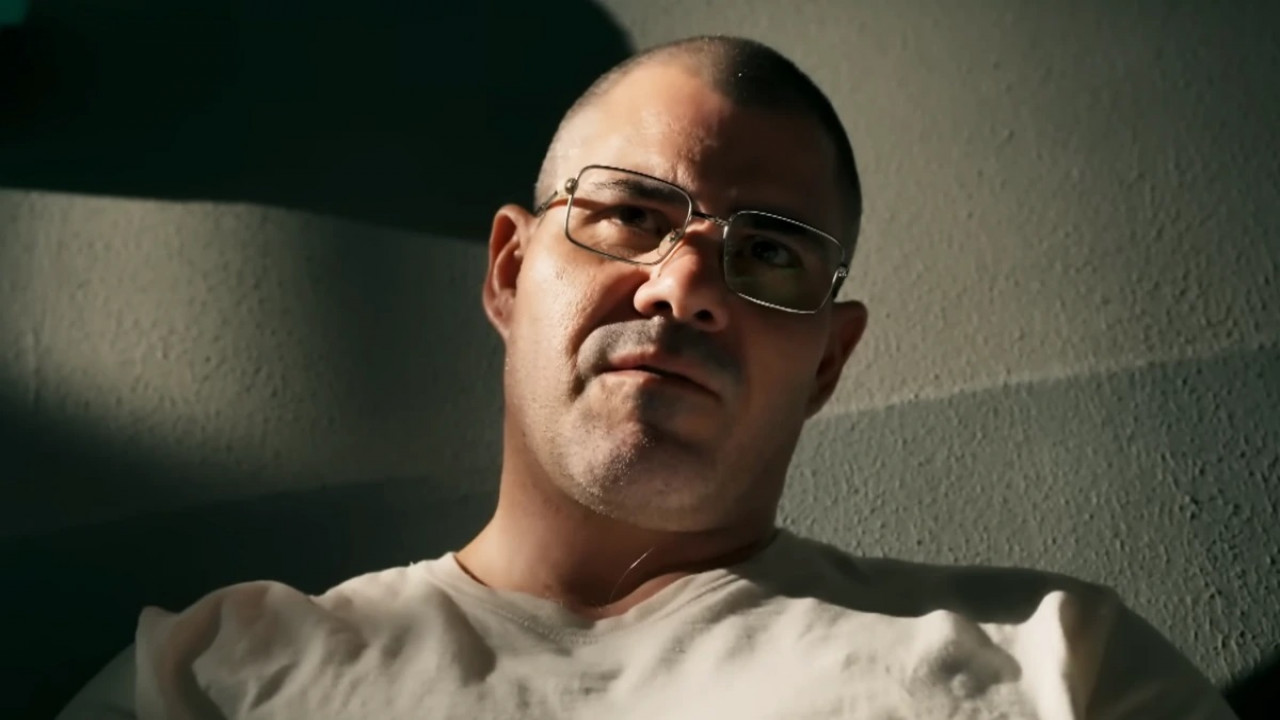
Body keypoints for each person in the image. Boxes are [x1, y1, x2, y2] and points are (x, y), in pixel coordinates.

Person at [58, 35, 1237, 720]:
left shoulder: (1054, 663)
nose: (684, 286)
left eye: (766, 252)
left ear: (827, 360)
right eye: (627, 214)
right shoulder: (207, 678)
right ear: (510, 272)